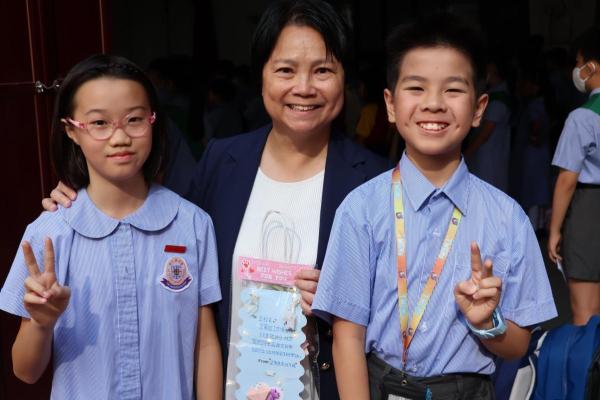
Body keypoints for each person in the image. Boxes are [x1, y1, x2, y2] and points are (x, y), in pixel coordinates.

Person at [41, 1, 389, 398]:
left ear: (344, 78)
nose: (304, 87)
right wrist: (83, 198)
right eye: (285, 70)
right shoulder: (222, 161)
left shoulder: (374, 181)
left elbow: (401, 308)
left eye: (323, 70)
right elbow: (160, 233)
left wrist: (347, 294)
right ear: (261, 76)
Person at [312, 15, 557, 400]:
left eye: (453, 90)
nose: (433, 103)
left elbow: (518, 345)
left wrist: (487, 323)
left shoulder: (508, 218)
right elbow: (347, 336)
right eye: (416, 87)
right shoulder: (361, 210)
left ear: (478, 109)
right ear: (391, 104)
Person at [1, 54, 223, 399]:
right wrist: (41, 323)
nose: (120, 137)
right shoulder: (50, 234)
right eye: (99, 123)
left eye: (134, 119)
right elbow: (25, 372)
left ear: (153, 121)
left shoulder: (192, 224)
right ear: (71, 130)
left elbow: (205, 344)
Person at [549, 26, 600, 326]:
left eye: (579, 62)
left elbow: (567, 180)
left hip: (589, 211)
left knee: (585, 312)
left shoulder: (582, 117)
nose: (576, 70)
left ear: (591, 66)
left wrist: (555, 230)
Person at [465, 55, 512, 192]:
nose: (487, 75)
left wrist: (467, 154)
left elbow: (486, 133)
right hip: (487, 152)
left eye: (489, 72)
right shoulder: (493, 94)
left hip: (489, 154)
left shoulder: (498, 100)